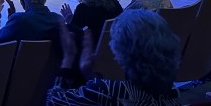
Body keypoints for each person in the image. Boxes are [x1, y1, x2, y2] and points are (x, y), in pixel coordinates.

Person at [47, 9, 181, 105]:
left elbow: (52, 101)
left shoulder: (109, 91)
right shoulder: (171, 90)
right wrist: (89, 73)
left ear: (122, 52)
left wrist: (68, 58)